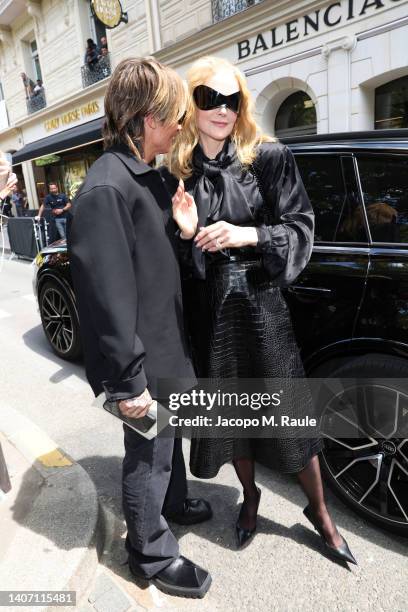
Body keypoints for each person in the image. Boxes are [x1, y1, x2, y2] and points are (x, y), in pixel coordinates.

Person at [164, 56, 358, 564]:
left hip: (261, 304)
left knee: (290, 414)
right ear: (192, 103)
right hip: (210, 313)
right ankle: (249, 497)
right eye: (210, 99)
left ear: (242, 106)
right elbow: (171, 262)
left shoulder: (267, 157)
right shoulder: (178, 171)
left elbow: (301, 226)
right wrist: (188, 234)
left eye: (232, 101)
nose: (222, 110)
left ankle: (320, 512)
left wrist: (247, 233)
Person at [67, 57, 212, 599]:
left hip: (166, 349)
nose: (181, 126)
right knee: (147, 455)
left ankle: (172, 506)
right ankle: (149, 553)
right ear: (149, 118)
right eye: (175, 115)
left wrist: (183, 230)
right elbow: (106, 298)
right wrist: (128, 385)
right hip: (141, 364)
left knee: (167, 446)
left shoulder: (149, 179)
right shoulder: (106, 188)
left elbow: (153, 267)